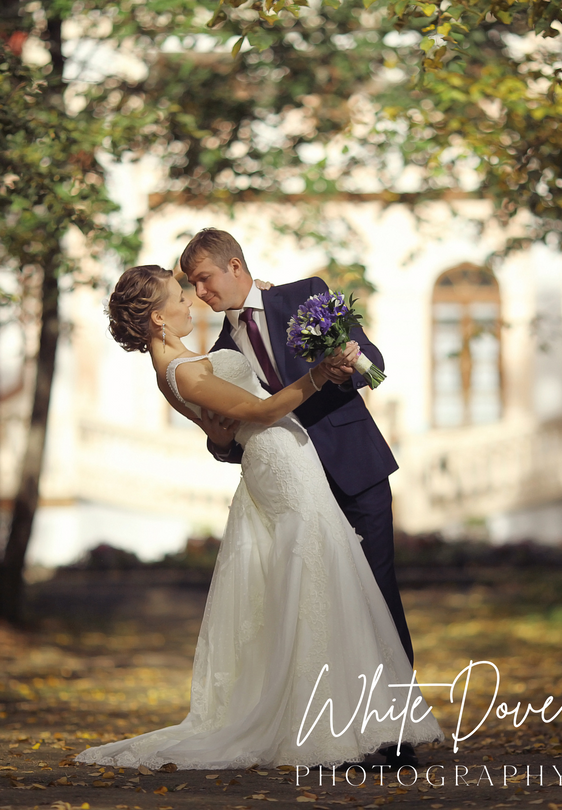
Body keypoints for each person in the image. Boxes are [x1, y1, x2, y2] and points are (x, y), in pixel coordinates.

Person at [75, 265, 443, 771]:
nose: (192, 301)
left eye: (196, 286)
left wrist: (225, 431)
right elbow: (263, 412)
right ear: (158, 319)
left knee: (331, 586)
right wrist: (315, 375)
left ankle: (366, 724)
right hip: (282, 467)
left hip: (301, 461)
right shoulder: (182, 370)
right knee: (317, 583)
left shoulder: (189, 357)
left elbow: (223, 428)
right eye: (181, 295)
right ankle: (332, 726)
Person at [179, 228, 418, 767]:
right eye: (192, 286)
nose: (200, 294)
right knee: (330, 608)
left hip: (355, 471)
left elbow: (372, 359)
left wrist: (344, 366)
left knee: (379, 598)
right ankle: (346, 731)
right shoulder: (219, 352)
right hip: (295, 494)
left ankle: (397, 735)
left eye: (205, 279)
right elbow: (237, 441)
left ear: (235, 267)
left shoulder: (304, 294)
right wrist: (220, 442)